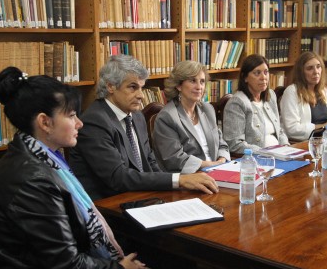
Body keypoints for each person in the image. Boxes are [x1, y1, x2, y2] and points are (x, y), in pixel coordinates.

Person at [0, 67, 182, 269]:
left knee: (164, 262)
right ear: (45, 122)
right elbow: (67, 267)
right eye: (71, 115)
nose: (80, 123)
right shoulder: (33, 179)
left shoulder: (38, 157)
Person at [69, 55, 218, 200]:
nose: (141, 95)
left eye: (142, 87)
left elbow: (150, 162)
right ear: (110, 86)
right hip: (108, 206)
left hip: (140, 196)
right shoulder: (94, 121)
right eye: (133, 87)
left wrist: (169, 195)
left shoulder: (137, 116)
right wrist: (179, 180)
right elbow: (118, 177)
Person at [152, 61, 230, 173]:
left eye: (202, 82)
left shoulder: (208, 109)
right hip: (190, 177)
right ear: (179, 85)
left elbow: (222, 144)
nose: (199, 87)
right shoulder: (167, 116)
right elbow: (175, 159)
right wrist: (211, 165)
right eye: (193, 81)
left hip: (218, 170)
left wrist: (222, 160)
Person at [222, 54, 289, 154]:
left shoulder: (271, 96)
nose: (263, 77)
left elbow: (279, 130)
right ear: (245, 78)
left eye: (266, 72)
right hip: (257, 158)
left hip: (280, 154)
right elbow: (234, 144)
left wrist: (287, 148)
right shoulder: (237, 103)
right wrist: (266, 152)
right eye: (257, 73)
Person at [279, 51, 327, 141]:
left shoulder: (324, 90)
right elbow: (292, 129)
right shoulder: (292, 91)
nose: (316, 72)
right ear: (301, 72)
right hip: (299, 143)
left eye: (318, 67)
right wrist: (324, 126)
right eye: (310, 68)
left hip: (323, 141)